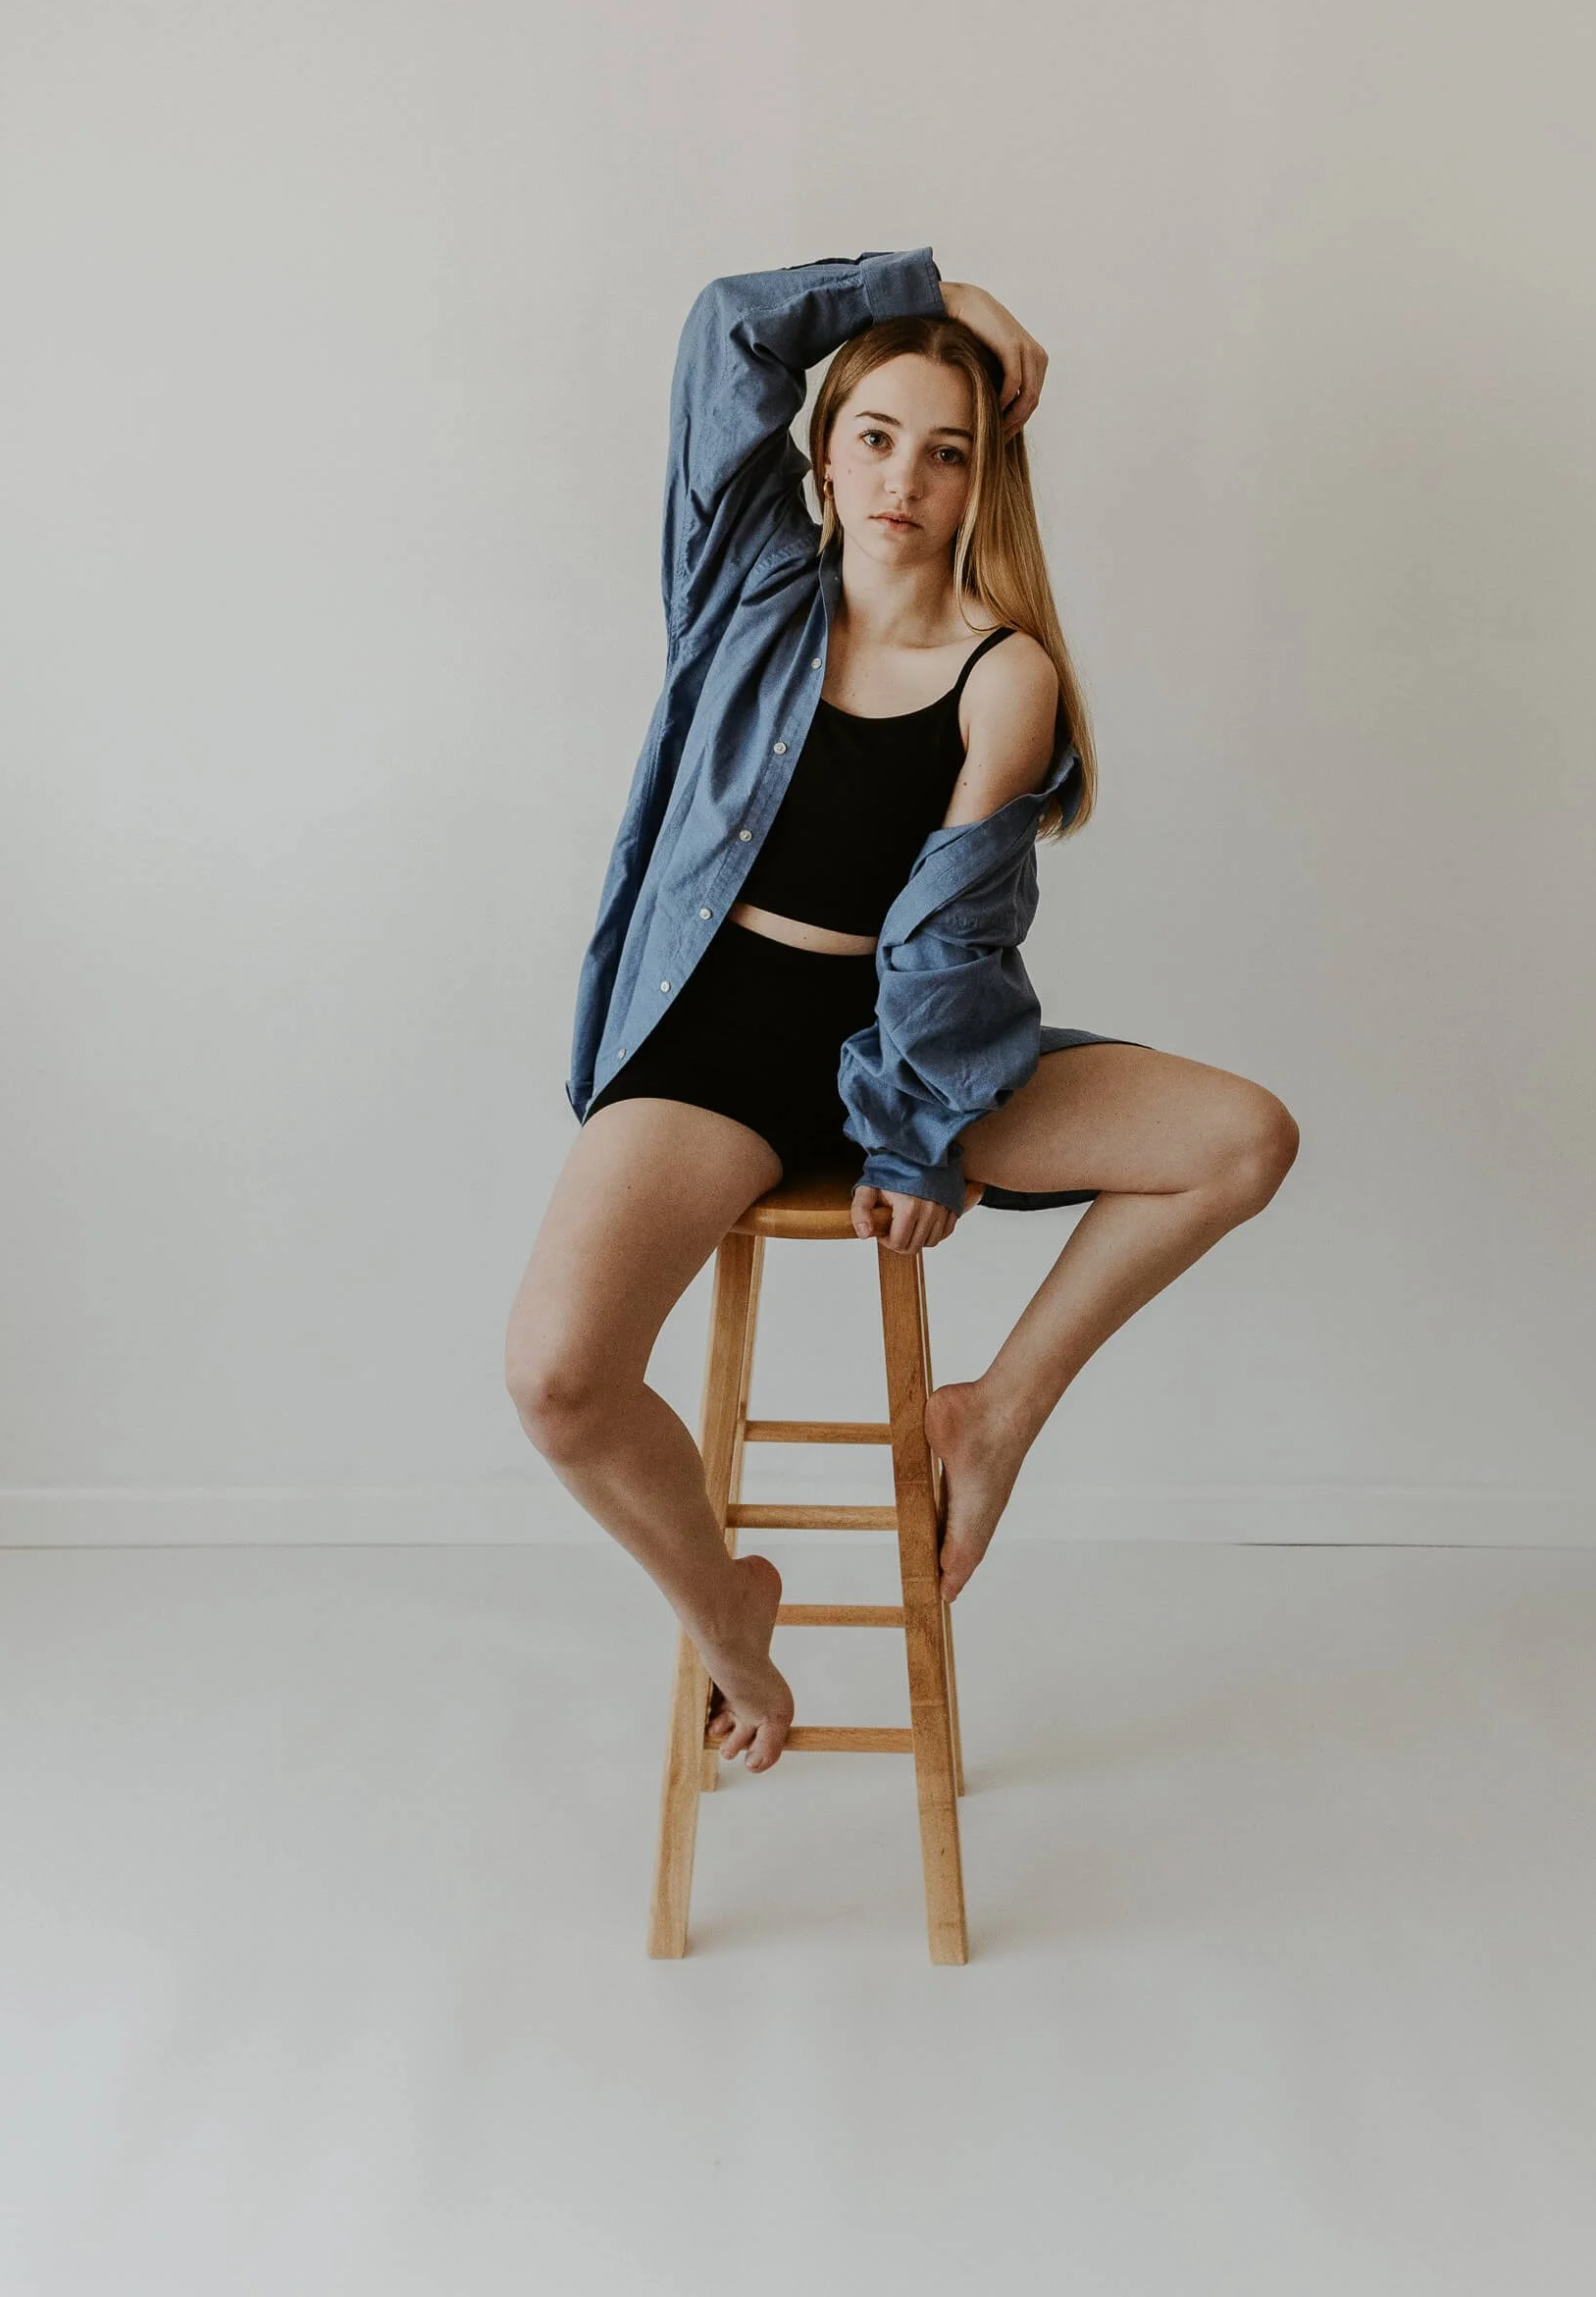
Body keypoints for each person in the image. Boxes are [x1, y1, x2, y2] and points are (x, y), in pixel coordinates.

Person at [506, 250, 1300, 1773]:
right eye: (875, 437)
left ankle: (993, 1416)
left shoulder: (1005, 673)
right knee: (557, 1379)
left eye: (947, 452)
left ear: (983, 481)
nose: (904, 480)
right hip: (713, 1050)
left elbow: (948, 936)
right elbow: (729, 329)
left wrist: (919, 1136)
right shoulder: (744, 586)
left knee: (1243, 1140)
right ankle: (734, 1621)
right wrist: (940, 287)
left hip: (904, 1053)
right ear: (823, 453)